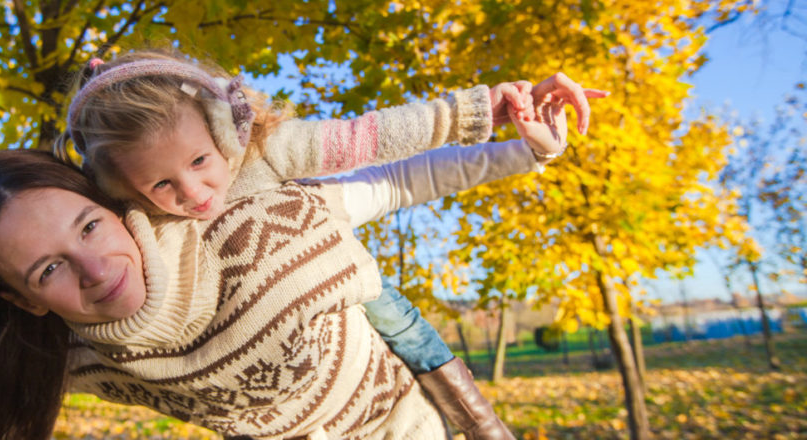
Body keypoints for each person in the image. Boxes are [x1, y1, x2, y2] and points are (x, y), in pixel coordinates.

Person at [57, 49, 606, 438]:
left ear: (225, 129)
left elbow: (375, 143)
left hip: (345, 305)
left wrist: (486, 112)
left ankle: (482, 423)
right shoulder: (145, 238)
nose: (194, 193)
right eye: (161, 185)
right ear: (124, 190)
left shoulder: (267, 155)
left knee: (395, 316)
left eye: (201, 161)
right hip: (266, 400)